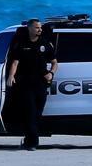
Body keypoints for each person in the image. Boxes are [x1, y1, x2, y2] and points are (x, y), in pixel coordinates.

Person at [6, 18, 57, 150]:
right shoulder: (22, 44)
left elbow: (54, 62)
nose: (40, 30)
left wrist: (51, 73)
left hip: (41, 84)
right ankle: (33, 143)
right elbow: (15, 62)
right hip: (26, 85)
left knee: (37, 115)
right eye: (37, 27)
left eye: (40, 28)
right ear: (29, 28)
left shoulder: (45, 44)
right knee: (30, 113)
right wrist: (11, 75)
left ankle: (28, 141)